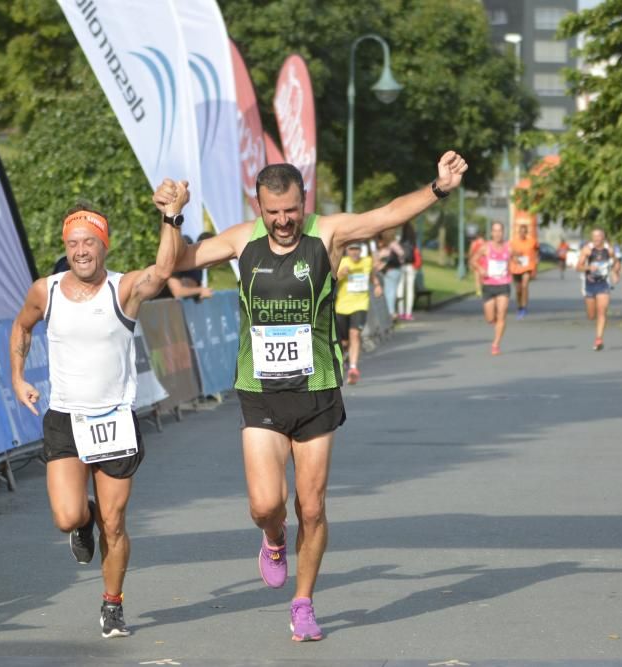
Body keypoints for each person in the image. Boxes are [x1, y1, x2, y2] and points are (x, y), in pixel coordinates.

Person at [172, 151, 468, 641]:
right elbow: (174, 263)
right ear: (259, 206)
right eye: (273, 212)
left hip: (316, 391)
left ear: (302, 201)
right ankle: (272, 538)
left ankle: (304, 603)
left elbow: (386, 214)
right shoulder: (240, 239)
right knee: (266, 505)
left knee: (312, 507)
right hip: (261, 391)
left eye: (290, 210)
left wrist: (437, 189)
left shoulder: (326, 233)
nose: (283, 221)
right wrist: (172, 217)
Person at [9, 180, 188, 639]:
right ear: (65, 247)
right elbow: (22, 327)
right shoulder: (44, 291)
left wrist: (170, 216)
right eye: (73, 243)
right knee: (68, 516)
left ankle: (113, 604)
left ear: (103, 245)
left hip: (114, 420)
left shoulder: (123, 289)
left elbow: (164, 268)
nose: (81, 251)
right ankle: (81, 522)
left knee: (116, 521)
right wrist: (18, 376)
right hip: (67, 419)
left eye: (89, 242)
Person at [335, 243, 382, 385]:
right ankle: (344, 357)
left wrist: (377, 285)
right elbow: (330, 281)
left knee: (355, 334)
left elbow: (372, 275)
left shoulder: (367, 262)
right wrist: (340, 274)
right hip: (342, 307)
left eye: (357, 249)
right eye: (351, 249)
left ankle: (353, 368)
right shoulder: (341, 262)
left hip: (360, 304)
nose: (354, 252)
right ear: (346, 251)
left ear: (361, 250)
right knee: (343, 342)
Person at [576, 228, 619, 351]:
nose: (596, 238)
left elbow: (616, 262)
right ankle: (596, 327)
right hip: (589, 284)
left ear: (603, 237)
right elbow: (578, 267)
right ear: (591, 238)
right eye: (594, 236)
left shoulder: (609, 250)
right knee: (591, 315)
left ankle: (599, 338)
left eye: (599, 236)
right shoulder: (587, 250)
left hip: (603, 283)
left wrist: (615, 273)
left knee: (602, 311)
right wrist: (588, 267)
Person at [472, 222, 511, 355]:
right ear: (491, 233)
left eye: (500, 230)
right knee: (490, 318)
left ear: (503, 232)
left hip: (504, 284)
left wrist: (516, 263)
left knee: (502, 314)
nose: (498, 233)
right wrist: (480, 269)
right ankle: (496, 324)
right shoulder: (485, 247)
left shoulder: (508, 247)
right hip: (489, 285)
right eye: (495, 231)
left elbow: (516, 258)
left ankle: (496, 344)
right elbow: (473, 260)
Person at [510, 222, 539, 319]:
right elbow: (509, 253)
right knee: (518, 289)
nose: (522, 233)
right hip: (516, 266)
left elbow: (537, 250)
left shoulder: (532, 241)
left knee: (525, 285)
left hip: (527, 266)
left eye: (524, 232)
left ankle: (524, 307)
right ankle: (519, 306)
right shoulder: (513, 242)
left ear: (526, 232)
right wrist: (515, 254)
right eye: (521, 232)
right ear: (518, 232)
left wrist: (536, 260)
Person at [376, 229, 404, 322]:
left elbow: (381, 258)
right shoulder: (393, 244)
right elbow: (402, 254)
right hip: (397, 270)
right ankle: (392, 312)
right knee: (392, 291)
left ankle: (391, 313)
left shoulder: (389, 246)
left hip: (389, 270)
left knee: (389, 292)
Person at [397, 222, 418, 321]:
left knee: (400, 288)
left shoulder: (400, 238)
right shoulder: (413, 238)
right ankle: (408, 313)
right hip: (411, 266)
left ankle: (400, 312)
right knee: (410, 290)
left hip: (401, 265)